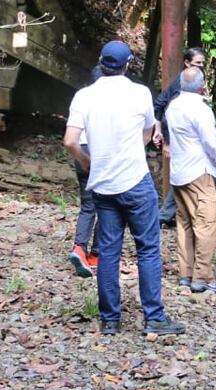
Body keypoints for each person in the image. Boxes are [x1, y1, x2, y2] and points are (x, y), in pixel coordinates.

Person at [63, 40, 185, 337]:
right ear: (128, 64)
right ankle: (154, 318)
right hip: (134, 180)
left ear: (102, 63)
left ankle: (110, 320)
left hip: (102, 184)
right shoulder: (139, 93)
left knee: (108, 252)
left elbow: (69, 141)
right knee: (148, 249)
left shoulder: (84, 96)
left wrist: (87, 161)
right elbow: (147, 131)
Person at [165, 66, 216, 293]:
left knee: (185, 224)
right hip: (198, 172)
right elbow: (211, 141)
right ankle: (202, 277)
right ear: (202, 86)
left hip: (178, 173)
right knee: (206, 225)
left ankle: (186, 273)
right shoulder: (200, 109)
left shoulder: (173, 107)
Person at [155, 47, 208, 227]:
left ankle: (167, 215)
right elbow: (166, 110)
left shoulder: (193, 80)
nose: (201, 66)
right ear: (187, 63)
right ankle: (164, 216)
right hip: (180, 138)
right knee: (184, 177)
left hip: (187, 138)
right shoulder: (182, 84)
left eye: (202, 63)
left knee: (183, 177)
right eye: (197, 63)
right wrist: (167, 140)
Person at [69, 66, 102, 278]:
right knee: (109, 206)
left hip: (81, 150)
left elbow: (71, 137)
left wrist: (82, 159)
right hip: (102, 152)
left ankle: (79, 247)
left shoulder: (82, 96)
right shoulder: (112, 99)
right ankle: (96, 254)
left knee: (88, 205)